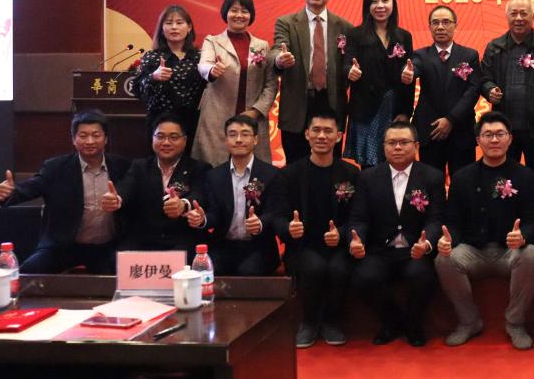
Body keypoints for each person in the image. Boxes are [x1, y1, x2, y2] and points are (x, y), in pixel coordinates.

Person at [435, 112, 534, 349]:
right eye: (488, 135)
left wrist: (523, 235)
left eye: (500, 134)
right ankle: (469, 321)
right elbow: (453, 219)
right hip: (474, 250)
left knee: (531, 254)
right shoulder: (462, 177)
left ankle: (515, 323)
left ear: (510, 139)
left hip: (510, 252)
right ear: (478, 140)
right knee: (444, 258)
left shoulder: (525, 176)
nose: (494, 140)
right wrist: (448, 239)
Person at [0, 110, 130, 274]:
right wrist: (10, 192)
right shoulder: (56, 168)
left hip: (107, 248)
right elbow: (31, 188)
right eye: (83, 136)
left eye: (96, 135)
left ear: (106, 139)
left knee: (127, 275)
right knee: (28, 273)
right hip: (63, 246)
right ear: (73, 139)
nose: (90, 141)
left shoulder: (122, 166)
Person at [347, 121, 445, 347]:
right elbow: (359, 218)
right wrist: (356, 239)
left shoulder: (432, 177)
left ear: (416, 146)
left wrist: (427, 243)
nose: (398, 147)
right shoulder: (368, 177)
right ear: (383, 146)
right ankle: (392, 322)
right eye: (392, 143)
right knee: (363, 277)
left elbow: (436, 219)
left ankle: (414, 323)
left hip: (415, 250)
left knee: (422, 276)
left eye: (403, 142)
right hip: (380, 249)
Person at [270, 113, 360, 348]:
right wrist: (289, 228)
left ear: (338, 136)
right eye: (316, 130)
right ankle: (309, 322)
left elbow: (359, 216)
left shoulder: (351, 174)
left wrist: (342, 233)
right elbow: (277, 216)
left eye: (328, 131)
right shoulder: (289, 174)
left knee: (339, 268)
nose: (322, 136)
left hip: (338, 245)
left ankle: (331, 321)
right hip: (303, 245)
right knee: (314, 267)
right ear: (307, 134)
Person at [271, 0, 353, 164]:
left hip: (331, 101)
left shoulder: (345, 27)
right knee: (296, 163)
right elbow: (276, 49)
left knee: (330, 162)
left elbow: (348, 64)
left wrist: (352, 71)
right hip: (297, 102)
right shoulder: (287, 23)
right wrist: (280, 59)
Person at [479, 0, 534, 177]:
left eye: (524, 13)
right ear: (507, 16)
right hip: (502, 130)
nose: (518, 18)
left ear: (533, 16)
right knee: (503, 179)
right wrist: (489, 89)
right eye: (514, 13)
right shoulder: (494, 47)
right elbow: (483, 78)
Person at [110, 112, 210, 259]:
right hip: (143, 238)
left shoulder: (199, 168)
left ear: (184, 141)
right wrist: (116, 198)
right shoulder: (139, 167)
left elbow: (199, 194)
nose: (166, 143)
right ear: (152, 138)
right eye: (160, 136)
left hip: (180, 239)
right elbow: (126, 187)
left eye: (173, 137)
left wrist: (183, 205)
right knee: (118, 258)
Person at [193, 0, 277, 165]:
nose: (239, 15)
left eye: (244, 11)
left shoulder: (262, 46)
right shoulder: (212, 41)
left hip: (252, 117)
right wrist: (212, 70)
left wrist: (256, 111)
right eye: (234, 10)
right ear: (226, 13)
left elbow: (271, 83)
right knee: (214, 169)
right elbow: (203, 65)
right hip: (216, 116)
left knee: (254, 171)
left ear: (251, 16)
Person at [190, 115, 280, 276]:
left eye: (245, 134)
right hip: (224, 245)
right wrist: (203, 220)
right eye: (232, 134)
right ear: (226, 140)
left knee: (248, 272)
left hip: (259, 246)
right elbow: (214, 214)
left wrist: (260, 223)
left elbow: (274, 211)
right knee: (206, 270)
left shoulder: (271, 174)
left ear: (256, 139)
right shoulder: (214, 175)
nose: (238, 140)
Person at [343, 0, 414, 169]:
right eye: (374, 1)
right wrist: (350, 71)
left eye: (385, 0)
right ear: (368, 6)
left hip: (394, 108)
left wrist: (406, 112)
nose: (380, 6)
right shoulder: (355, 34)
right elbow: (347, 63)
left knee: (397, 162)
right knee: (369, 167)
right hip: (366, 109)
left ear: (393, 4)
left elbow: (409, 77)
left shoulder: (404, 36)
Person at [404, 4, 481, 176]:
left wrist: (451, 119)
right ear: (429, 27)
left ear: (455, 25)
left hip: (461, 131)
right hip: (430, 131)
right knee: (431, 183)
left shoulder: (470, 55)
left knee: (464, 183)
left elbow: (473, 90)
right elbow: (413, 68)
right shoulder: (420, 55)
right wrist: (408, 74)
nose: (440, 27)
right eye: (435, 22)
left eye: (446, 22)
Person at [133, 5, 207, 150]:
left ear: (189, 27)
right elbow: (137, 89)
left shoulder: (199, 57)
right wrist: (153, 77)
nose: (174, 27)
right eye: (168, 23)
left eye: (179, 23)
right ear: (162, 29)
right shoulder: (152, 57)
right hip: (160, 122)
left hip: (192, 122)